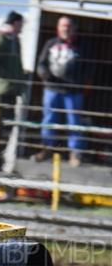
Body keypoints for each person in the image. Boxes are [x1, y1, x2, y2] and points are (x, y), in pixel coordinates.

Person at [34, 16, 90, 167]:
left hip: (73, 91)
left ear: (74, 28)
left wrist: (81, 82)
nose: (65, 29)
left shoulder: (82, 46)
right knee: (49, 119)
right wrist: (44, 73)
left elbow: (90, 67)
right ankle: (46, 149)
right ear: (58, 28)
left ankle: (75, 153)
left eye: (68, 26)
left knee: (74, 121)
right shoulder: (51, 43)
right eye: (63, 26)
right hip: (52, 89)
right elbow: (41, 63)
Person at [0, 11, 26, 171]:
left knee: (8, 128)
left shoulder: (15, 40)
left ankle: (0, 162)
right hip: (3, 91)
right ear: (15, 23)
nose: (22, 27)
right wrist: (9, 77)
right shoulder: (2, 38)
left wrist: (21, 77)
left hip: (12, 91)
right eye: (21, 23)